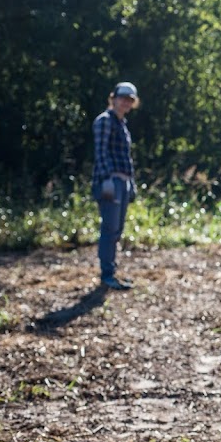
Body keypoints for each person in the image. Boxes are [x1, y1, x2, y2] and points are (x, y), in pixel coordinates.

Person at [91, 81, 140, 290]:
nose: (125, 103)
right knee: (110, 228)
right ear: (114, 98)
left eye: (130, 99)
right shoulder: (105, 121)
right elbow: (101, 153)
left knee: (117, 229)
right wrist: (107, 179)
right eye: (122, 98)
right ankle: (107, 275)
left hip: (123, 181)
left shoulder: (122, 124)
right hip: (110, 181)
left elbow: (125, 157)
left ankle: (111, 271)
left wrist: (131, 183)